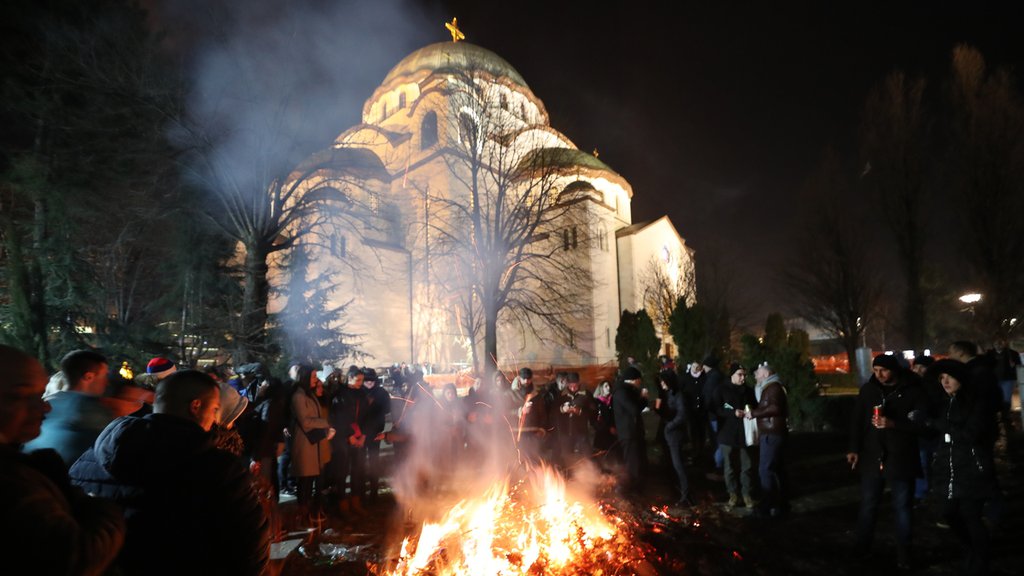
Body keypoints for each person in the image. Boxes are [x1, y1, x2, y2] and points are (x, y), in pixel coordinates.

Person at [69, 369, 269, 575]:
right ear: (196, 406)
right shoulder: (217, 468)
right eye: (214, 409)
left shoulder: (91, 456)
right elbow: (250, 550)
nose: (214, 421)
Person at [1, 345, 125, 576]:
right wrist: (99, 505)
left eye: (40, 395)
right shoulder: (12, 480)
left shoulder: (23, 462)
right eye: (23, 395)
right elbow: (76, 556)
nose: (45, 407)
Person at [846, 354, 926, 570]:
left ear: (895, 370)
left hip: (901, 457)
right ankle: (862, 548)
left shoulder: (912, 390)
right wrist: (854, 448)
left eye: (884, 370)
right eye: (875, 370)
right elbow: (857, 420)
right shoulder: (869, 390)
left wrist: (894, 424)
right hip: (872, 456)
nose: (879, 374)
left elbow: (922, 426)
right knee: (868, 505)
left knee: (902, 507)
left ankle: (904, 553)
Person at [926, 359, 996, 576]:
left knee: (971, 515)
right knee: (948, 513)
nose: (945, 381)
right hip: (948, 470)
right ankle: (971, 546)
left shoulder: (977, 402)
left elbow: (969, 435)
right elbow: (939, 433)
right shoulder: (945, 403)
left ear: (961, 379)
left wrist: (938, 426)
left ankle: (981, 558)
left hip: (973, 468)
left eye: (950, 377)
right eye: (941, 378)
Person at [24, 349, 115, 466]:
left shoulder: (46, 402)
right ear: (88, 377)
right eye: (105, 376)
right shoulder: (89, 407)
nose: (107, 382)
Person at [289, 364, 335, 522]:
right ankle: (302, 517)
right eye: (314, 377)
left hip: (315, 445)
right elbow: (306, 421)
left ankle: (312, 514)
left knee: (312, 481)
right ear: (305, 377)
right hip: (305, 445)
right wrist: (325, 423)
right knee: (305, 482)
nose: (317, 380)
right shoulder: (299, 396)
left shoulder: (308, 395)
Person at [747, 361, 789, 519]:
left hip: (772, 434)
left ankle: (767, 506)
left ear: (765, 374)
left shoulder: (772, 388)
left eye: (757, 374)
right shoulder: (770, 387)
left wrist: (755, 413)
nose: (755, 376)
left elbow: (775, 408)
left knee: (765, 469)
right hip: (772, 432)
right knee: (775, 469)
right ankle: (779, 505)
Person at [717, 363, 757, 509]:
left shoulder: (748, 391)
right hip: (727, 435)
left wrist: (750, 411)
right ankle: (733, 494)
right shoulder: (722, 390)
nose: (743, 378)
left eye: (744, 375)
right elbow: (716, 408)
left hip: (745, 435)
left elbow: (755, 407)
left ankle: (747, 494)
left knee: (747, 466)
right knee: (729, 467)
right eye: (740, 374)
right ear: (732, 375)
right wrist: (731, 413)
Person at [613, 366, 648, 495]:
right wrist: (643, 398)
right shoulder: (622, 392)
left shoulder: (628, 390)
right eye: (639, 380)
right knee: (633, 464)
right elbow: (634, 409)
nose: (640, 383)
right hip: (628, 434)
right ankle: (627, 491)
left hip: (634, 433)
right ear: (634, 379)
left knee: (638, 462)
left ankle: (637, 489)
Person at [660, 370, 691, 506]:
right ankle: (678, 492)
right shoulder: (669, 393)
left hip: (675, 435)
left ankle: (686, 496)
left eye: (663, 381)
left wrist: (669, 426)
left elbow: (682, 415)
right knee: (674, 464)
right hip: (670, 434)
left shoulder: (678, 395)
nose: (661, 384)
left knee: (679, 465)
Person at [362, 367, 391, 502]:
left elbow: (387, 409)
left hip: (375, 432)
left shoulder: (381, 393)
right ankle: (360, 490)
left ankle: (374, 491)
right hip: (360, 433)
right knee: (360, 462)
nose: (369, 383)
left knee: (374, 460)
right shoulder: (359, 392)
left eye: (371, 381)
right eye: (366, 380)